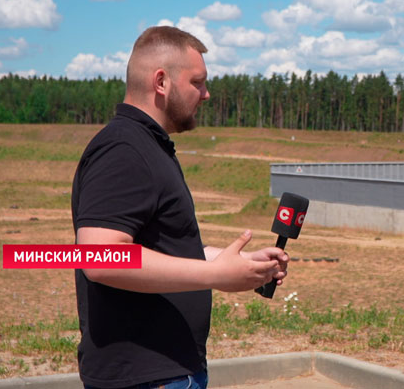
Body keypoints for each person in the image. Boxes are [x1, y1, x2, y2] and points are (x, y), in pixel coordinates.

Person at [71, 26, 288, 389]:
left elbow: (162, 248)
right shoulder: (124, 150)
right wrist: (217, 276)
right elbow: (99, 258)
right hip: (147, 378)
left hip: (164, 373)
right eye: (198, 82)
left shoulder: (147, 145)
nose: (206, 94)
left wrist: (232, 263)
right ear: (161, 82)